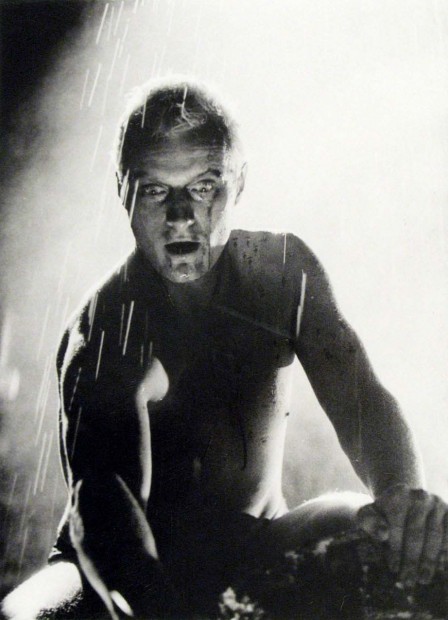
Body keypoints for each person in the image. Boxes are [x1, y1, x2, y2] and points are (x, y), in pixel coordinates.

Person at [3, 79, 448, 620]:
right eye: (155, 191)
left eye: (203, 186)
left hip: (258, 540)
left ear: (239, 183)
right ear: (122, 191)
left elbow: (361, 399)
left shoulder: (282, 273)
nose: (181, 216)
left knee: (392, 536)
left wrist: (403, 501)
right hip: (116, 565)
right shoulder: (106, 332)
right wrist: (152, 606)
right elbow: (107, 508)